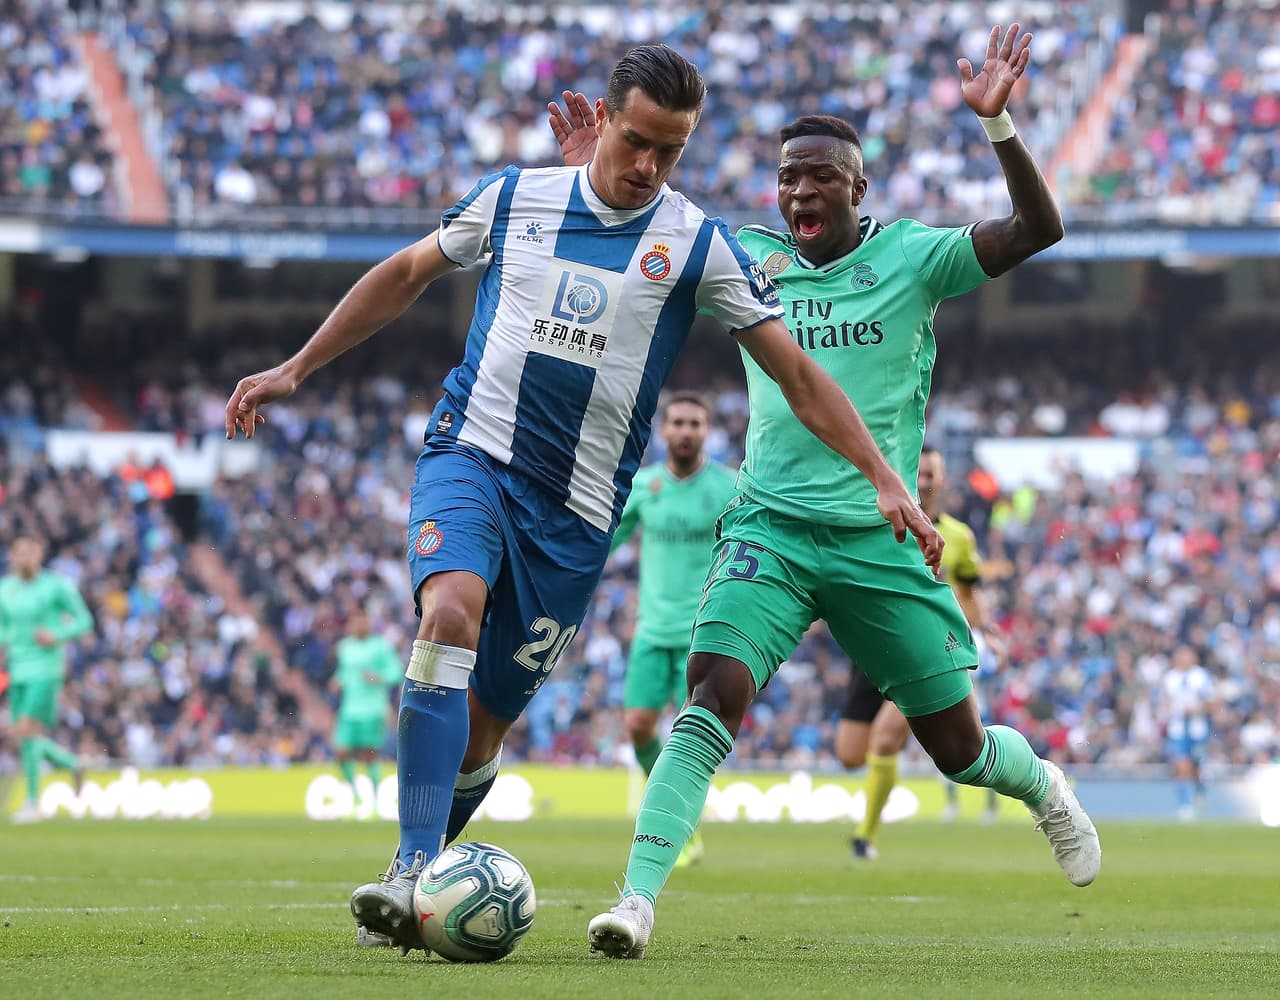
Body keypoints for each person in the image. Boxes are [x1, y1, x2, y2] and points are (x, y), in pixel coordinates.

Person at [224, 44, 939, 955]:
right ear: (604, 120)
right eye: (636, 142)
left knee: (485, 730)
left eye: (669, 152)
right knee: (447, 613)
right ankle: (408, 869)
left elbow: (797, 375)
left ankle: (426, 872)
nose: (648, 166)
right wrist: (296, 367)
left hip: (576, 517)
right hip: (473, 456)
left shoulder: (695, 244)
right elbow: (406, 274)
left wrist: (882, 474)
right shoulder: (516, 198)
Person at [551, 25, 1102, 959]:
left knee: (960, 752)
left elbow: (1039, 231)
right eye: (787, 177)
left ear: (859, 188)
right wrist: (587, 184)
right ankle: (636, 901)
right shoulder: (745, 256)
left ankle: (1043, 785)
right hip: (770, 527)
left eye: (819, 176)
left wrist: (1000, 123)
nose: (799, 190)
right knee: (711, 693)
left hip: (881, 538)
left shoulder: (916, 258)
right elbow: (633, 230)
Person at [836, 447, 1008, 859]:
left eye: (933, 473)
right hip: (872, 648)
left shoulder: (960, 538)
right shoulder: (880, 522)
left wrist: (985, 628)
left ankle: (865, 838)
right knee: (849, 754)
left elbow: (968, 591)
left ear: (943, 479)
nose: (926, 481)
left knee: (883, 739)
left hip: (925, 649)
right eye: (921, 472)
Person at [608, 392, 738, 868]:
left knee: (691, 734)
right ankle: (683, 819)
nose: (686, 431)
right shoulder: (646, 487)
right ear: (664, 430)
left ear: (707, 432)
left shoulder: (727, 487)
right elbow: (607, 542)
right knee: (639, 726)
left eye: (695, 424)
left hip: (703, 632)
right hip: (651, 632)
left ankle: (676, 829)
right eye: (678, 423)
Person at [0, 535, 94, 823]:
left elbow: (84, 620)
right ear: (13, 556)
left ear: (40, 554)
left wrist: (57, 635)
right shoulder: (6, 589)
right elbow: (4, 628)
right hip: (17, 669)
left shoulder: (56, 586)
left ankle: (32, 801)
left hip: (46, 668)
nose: (26, 557)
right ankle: (73, 764)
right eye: (20, 552)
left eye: (31, 551)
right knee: (25, 735)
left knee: (24, 731)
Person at [329, 609, 403, 819]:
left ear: (368, 624)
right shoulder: (345, 647)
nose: (359, 626)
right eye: (355, 622)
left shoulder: (380, 647)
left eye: (362, 622)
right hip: (349, 709)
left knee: (368, 756)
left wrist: (377, 677)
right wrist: (337, 680)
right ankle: (356, 796)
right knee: (341, 751)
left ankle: (373, 802)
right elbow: (346, 671)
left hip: (372, 709)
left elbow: (396, 673)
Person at [1159, 645, 1214, 821]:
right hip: (1178, 729)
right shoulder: (1170, 678)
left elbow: (1212, 703)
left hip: (1197, 729)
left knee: (1195, 767)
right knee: (1181, 765)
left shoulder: (1201, 677)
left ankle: (1200, 790)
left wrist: (1197, 709)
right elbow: (1165, 702)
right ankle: (1185, 806)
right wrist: (1170, 710)